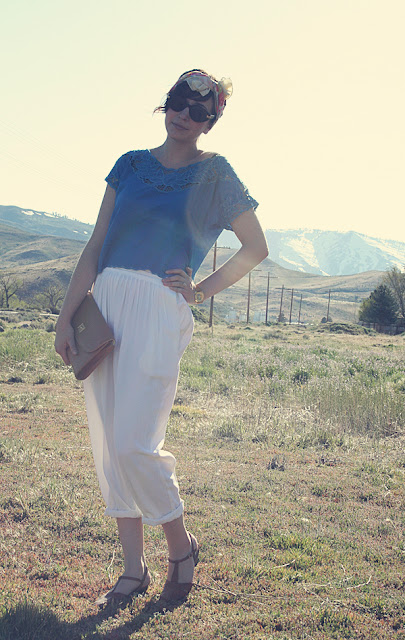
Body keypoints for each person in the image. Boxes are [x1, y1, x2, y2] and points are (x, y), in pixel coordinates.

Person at [54, 69, 268, 607]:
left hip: (158, 308)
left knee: (134, 443)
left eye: (199, 111)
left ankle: (180, 545)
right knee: (111, 445)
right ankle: (133, 569)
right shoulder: (129, 165)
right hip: (106, 303)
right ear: (165, 104)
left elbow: (255, 247)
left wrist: (201, 290)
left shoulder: (216, 173)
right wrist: (66, 315)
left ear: (211, 121)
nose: (184, 116)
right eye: (178, 103)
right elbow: (96, 244)